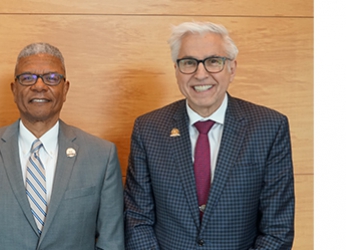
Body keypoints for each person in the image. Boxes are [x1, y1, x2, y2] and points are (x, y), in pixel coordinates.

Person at [124, 21, 295, 249]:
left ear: (231, 69)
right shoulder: (148, 129)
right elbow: (137, 220)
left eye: (213, 61)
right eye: (189, 63)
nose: (201, 74)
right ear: (176, 70)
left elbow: (278, 229)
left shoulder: (269, 127)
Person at [0, 42, 124, 249]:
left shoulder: (101, 155)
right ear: (14, 90)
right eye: (27, 78)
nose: (39, 86)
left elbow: (110, 242)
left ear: (65, 89)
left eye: (52, 78)